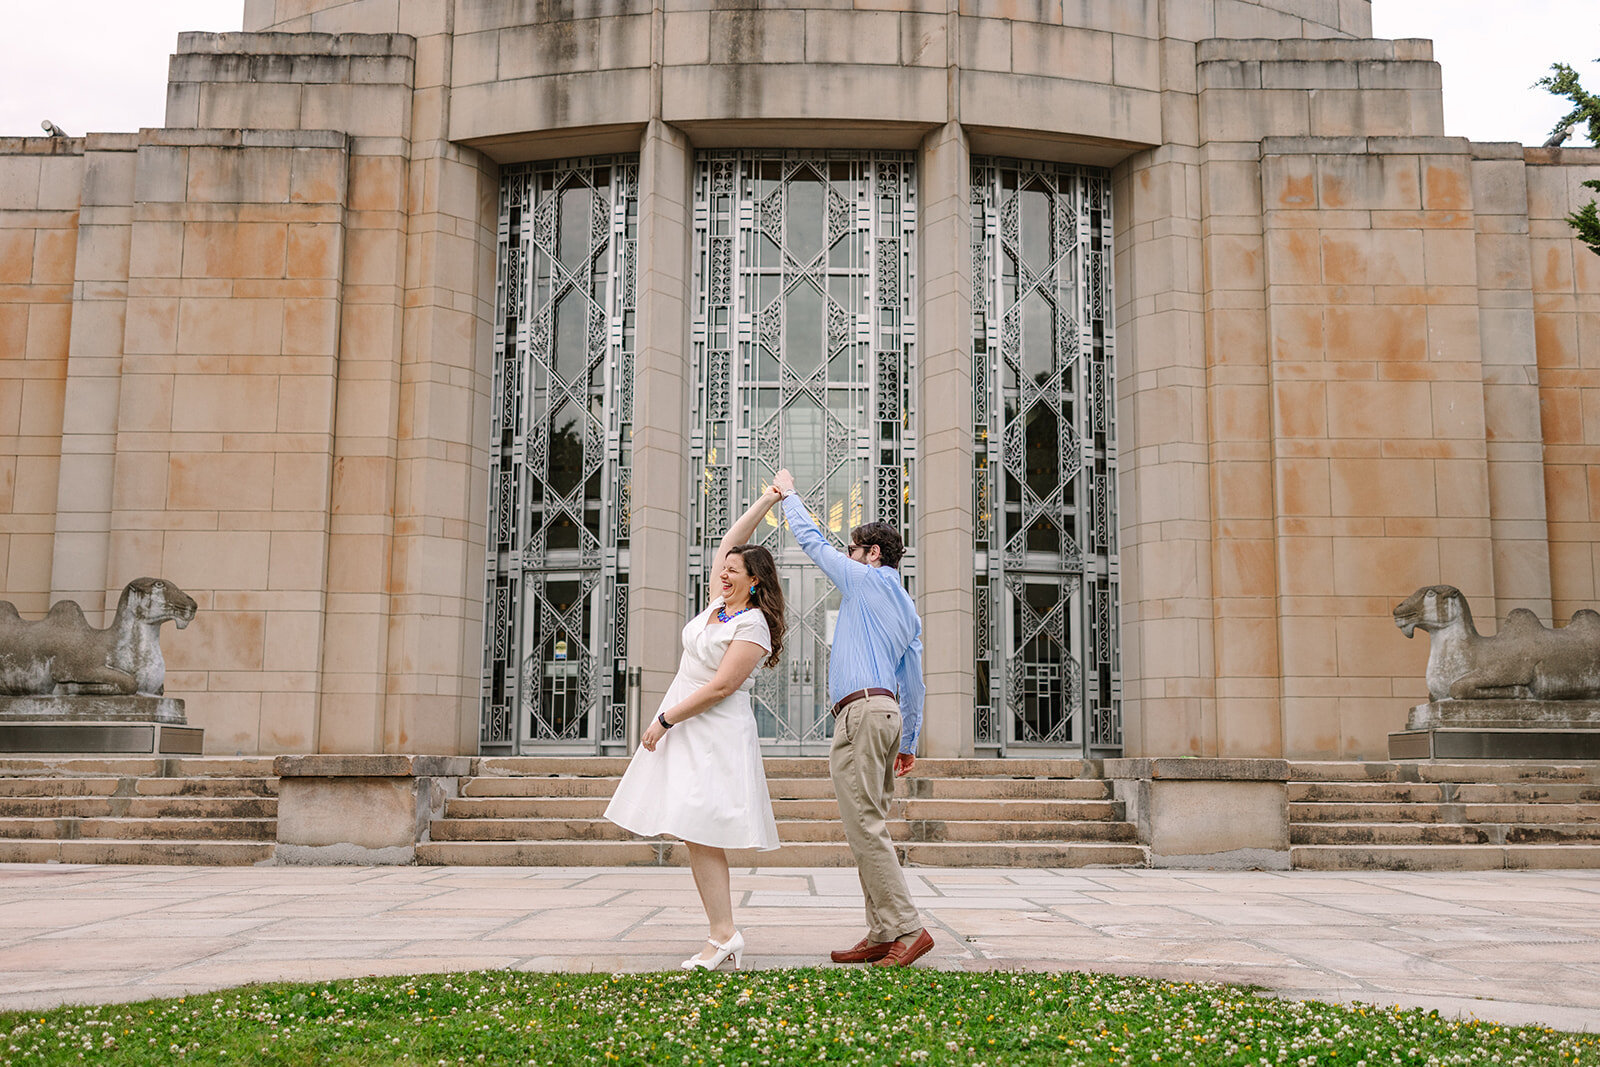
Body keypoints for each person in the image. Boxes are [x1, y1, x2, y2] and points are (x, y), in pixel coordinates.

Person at [603, 487, 787, 971]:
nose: (723, 573)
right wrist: (767, 499)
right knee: (693, 831)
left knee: (701, 829)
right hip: (687, 721)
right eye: (722, 568)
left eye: (733, 570)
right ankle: (723, 933)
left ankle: (724, 934)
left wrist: (663, 720)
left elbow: (722, 687)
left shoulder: (752, 625)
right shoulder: (717, 607)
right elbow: (731, 537)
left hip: (713, 731)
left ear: (754, 581)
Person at [770, 468, 933, 968]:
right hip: (885, 714)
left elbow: (815, 545)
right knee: (869, 822)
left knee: (863, 822)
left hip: (860, 714)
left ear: (873, 554)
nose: (848, 557)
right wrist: (908, 741)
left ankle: (907, 928)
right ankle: (883, 929)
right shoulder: (907, 608)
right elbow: (916, 681)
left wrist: (790, 495)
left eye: (855, 549)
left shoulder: (865, 582)